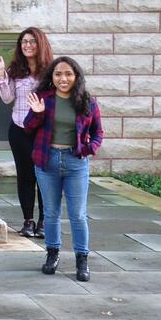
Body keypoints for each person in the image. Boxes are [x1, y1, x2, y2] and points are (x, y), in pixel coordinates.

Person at [24, 56, 103, 282]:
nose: (63, 78)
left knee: (78, 214)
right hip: (47, 161)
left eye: (68, 74)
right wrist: (38, 113)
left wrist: (89, 149)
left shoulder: (87, 101)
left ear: (76, 76)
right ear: (52, 77)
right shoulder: (43, 99)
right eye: (58, 74)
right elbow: (28, 128)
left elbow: (98, 132)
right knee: (51, 213)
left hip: (75, 162)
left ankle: (82, 258)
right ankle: (52, 254)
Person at [0, 27, 54, 238]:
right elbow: (7, 99)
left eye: (32, 41)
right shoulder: (15, 70)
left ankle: (44, 221)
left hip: (43, 131)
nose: (27, 45)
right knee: (25, 176)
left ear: (40, 44)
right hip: (19, 129)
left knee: (43, 175)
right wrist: (1, 75)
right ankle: (28, 220)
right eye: (24, 42)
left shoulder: (50, 71)